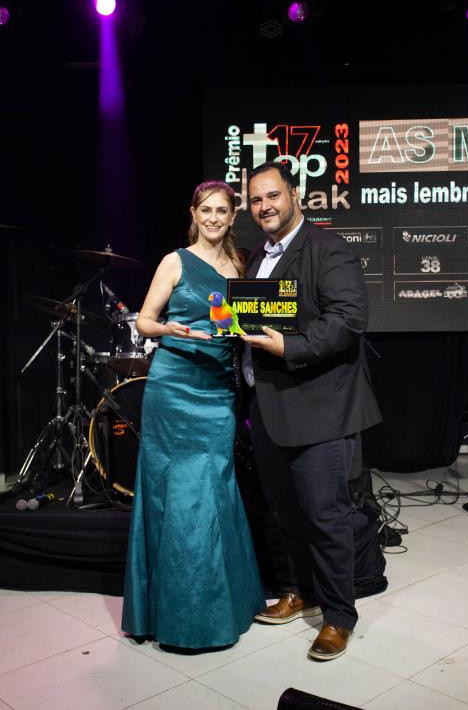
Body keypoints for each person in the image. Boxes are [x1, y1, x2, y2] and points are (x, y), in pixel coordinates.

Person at [241, 162, 381, 661]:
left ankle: (339, 616)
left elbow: (349, 318)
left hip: (319, 408)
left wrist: (290, 346)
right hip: (268, 407)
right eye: (256, 200)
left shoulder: (327, 247)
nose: (265, 207)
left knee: (326, 516)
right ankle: (299, 590)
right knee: (286, 512)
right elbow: (251, 321)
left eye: (272, 196)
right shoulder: (256, 258)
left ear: (295, 195)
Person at [121, 180, 265, 650]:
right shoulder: (175, 261)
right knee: (174, 490)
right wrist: (170, 329)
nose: (214, 218)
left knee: (213, 487)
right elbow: (144, 321)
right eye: (207, 210)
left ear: (233, 216)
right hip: (173, 384)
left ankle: (218, 607)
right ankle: (175, 615)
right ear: (194, 213)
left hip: (217, 389)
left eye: (222, 210)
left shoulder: (240, 265)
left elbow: (240, 323)